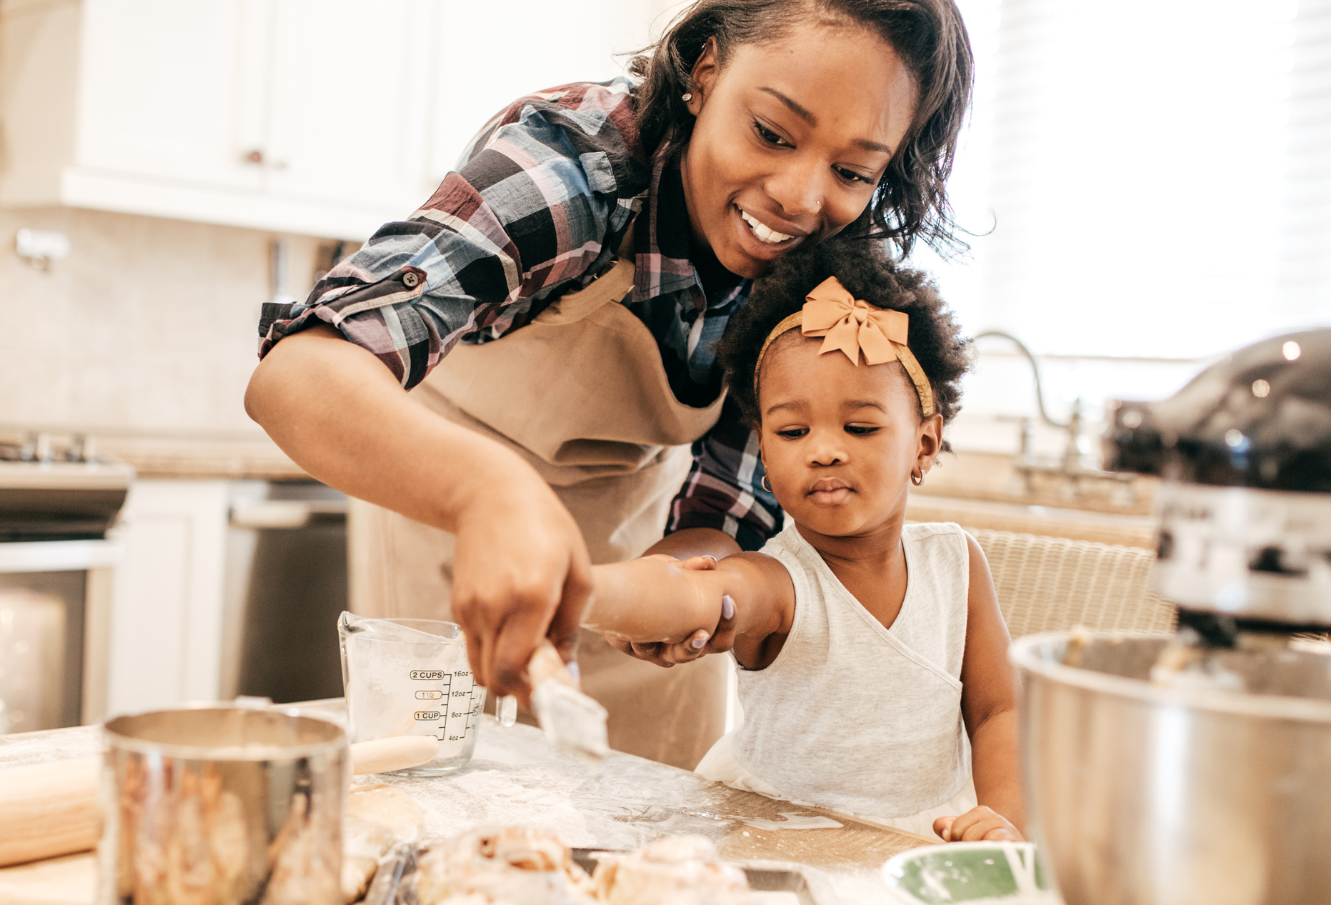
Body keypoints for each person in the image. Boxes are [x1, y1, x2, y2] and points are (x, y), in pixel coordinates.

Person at [248, 0, 973, 768]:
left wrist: (677, 591)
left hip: (640, 537)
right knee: (445, 802)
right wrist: (488, 495)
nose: (799, 196)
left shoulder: (819, 278)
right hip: (445, 502)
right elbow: (298, 372)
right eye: (771, 133)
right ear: (706, 70)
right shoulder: (571, 174)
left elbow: (731, 505)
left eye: (852, 170)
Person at [580, 242, 1022, 841]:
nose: (824, 449)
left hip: (924, 837)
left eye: (860, 426)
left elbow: (999, 710)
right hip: (779, 844)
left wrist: (1005, 821)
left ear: (924, 442)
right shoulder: (778, 579)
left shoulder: (957, 562)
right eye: (792, 430)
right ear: (763, 452)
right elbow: (700, 594)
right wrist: (583, 590)